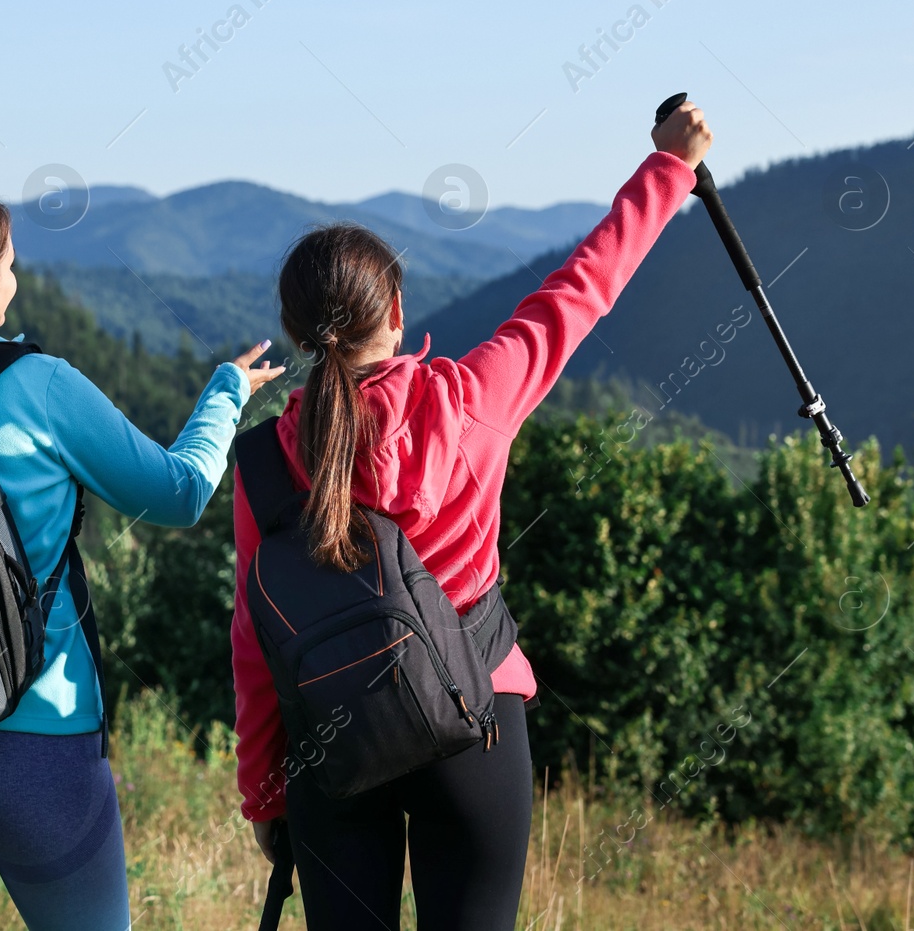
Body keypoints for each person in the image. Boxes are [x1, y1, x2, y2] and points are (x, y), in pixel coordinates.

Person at [230, 102, 715, 929]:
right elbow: (581, 290)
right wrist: (669, 168)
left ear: (299, 332)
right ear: (396, 306)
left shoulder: (269, 461)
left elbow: (254, 636)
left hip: (331, 744)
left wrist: (266, 790)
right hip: (477, 721)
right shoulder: (471, 400)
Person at [0, 185, 285, 931]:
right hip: (35, 735)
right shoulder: (36, 384)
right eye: (10, 264)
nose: (18, 277)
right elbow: (179, 490)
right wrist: (226, 394)